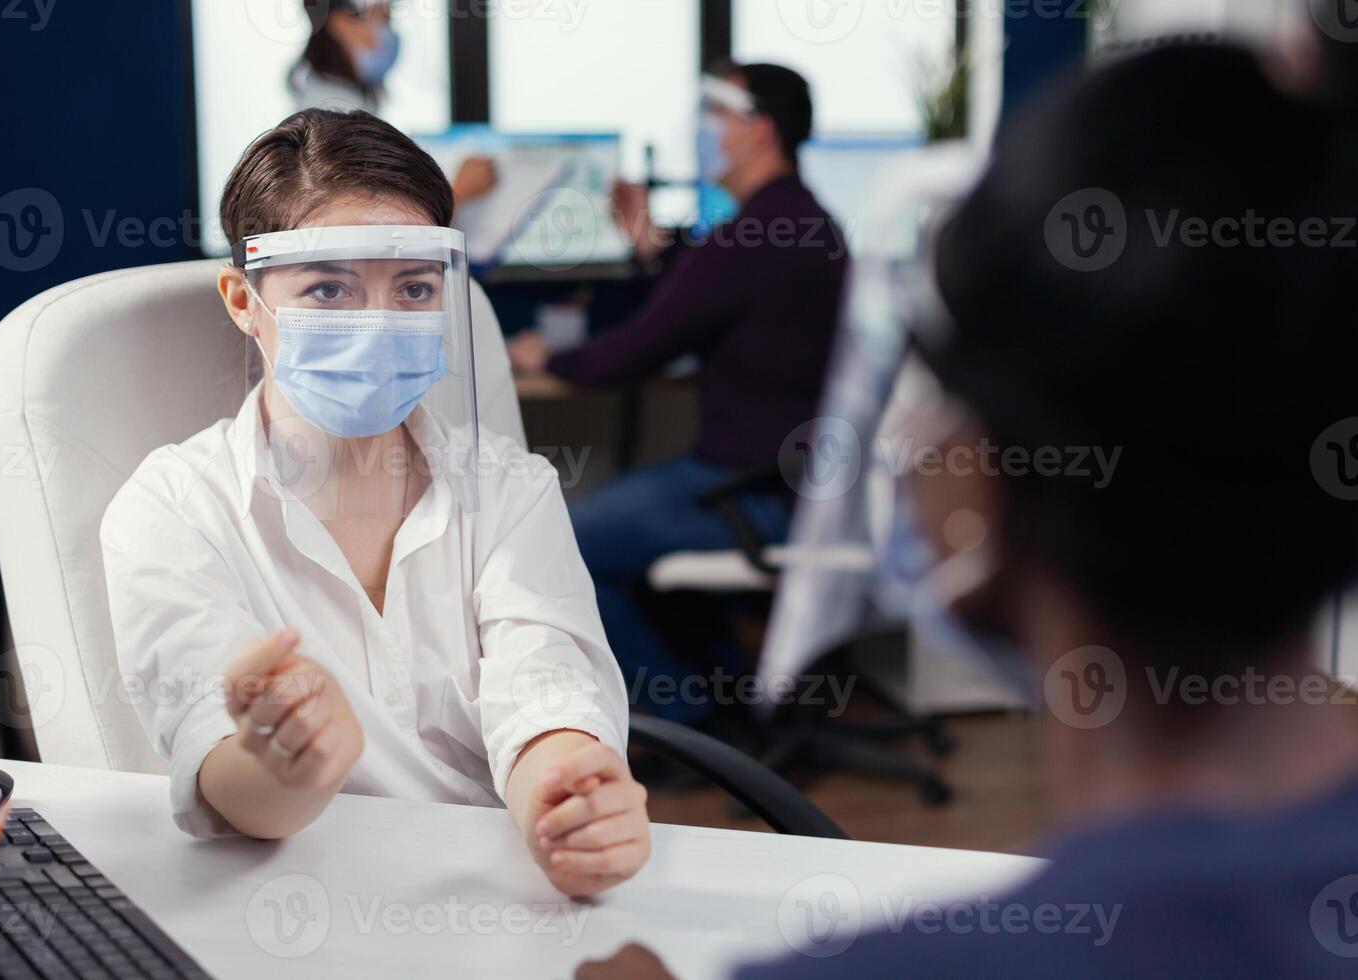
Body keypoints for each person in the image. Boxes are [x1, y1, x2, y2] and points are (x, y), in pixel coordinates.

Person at [576, 36, 1358, 979]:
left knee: (578, 533)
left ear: (979, 476)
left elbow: (641, 346)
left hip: (738, 487)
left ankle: (693, 723)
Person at [100, 108, 649, 899]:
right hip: (286, 913)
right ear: (242, 300)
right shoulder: (172, 507)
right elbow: (226, 771)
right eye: (328, 289)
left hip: (493, 903)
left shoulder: (509, 489)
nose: (379, 327)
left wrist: (570, 804)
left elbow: (546, 696)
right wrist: (281, 761)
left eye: (415, 289)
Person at [508, 64, 849, 722]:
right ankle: (729, 705)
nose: (699, 129)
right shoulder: (795, 220)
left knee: (563, 542)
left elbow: (638, 347)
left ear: (760, 129)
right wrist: (645, 238)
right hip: (794, 482)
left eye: (713, 113)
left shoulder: (752, 236)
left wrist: (546, 354)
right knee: (632, 553)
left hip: (750, 493)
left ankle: (686, 725)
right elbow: (697, 293)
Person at [290, 0, 497, 207]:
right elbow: (368, 220)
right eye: (384, 18)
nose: (389, 34)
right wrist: (458, 193)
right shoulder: (334, 117)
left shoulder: (341, 104)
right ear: (342, 23)